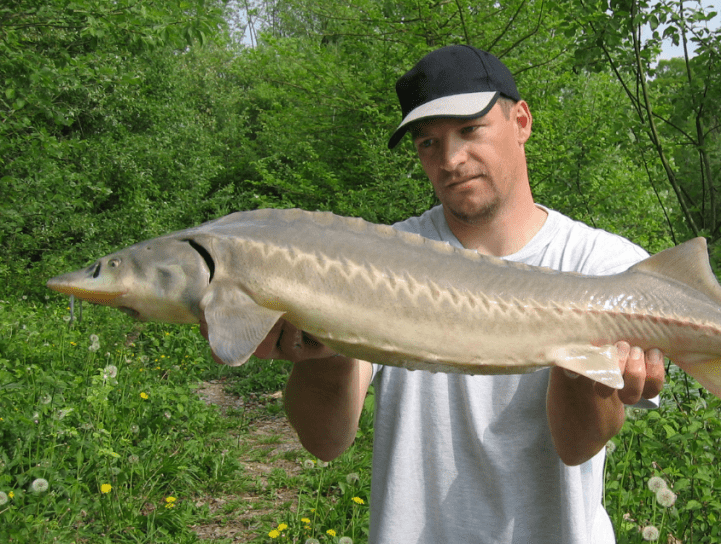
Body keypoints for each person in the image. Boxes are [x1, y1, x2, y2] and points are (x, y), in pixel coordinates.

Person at [205, 44, 665, 543]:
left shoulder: (606, 268)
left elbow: (577, 447)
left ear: (521, 121)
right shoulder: (374, 260)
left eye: (470, 130)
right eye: (428, 142)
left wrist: (588, 373)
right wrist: (320, 351)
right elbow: (324, 442)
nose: (450, 159)